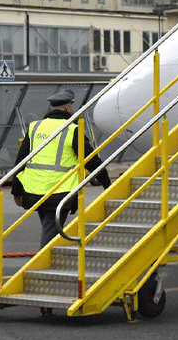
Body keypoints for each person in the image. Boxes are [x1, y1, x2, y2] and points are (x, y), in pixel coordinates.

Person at [11, 89, 111, 249]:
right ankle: (40, 268)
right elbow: (91, 160)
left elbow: (20, 160)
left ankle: (44, 264)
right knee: (50, 235)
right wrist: (107, 185)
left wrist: (16, 190)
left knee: (48, 227)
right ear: (66, 108)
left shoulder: (35, 127)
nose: (72, 110)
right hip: (59, 191)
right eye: (71, 107)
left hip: (34, 190)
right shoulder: (72, 129)